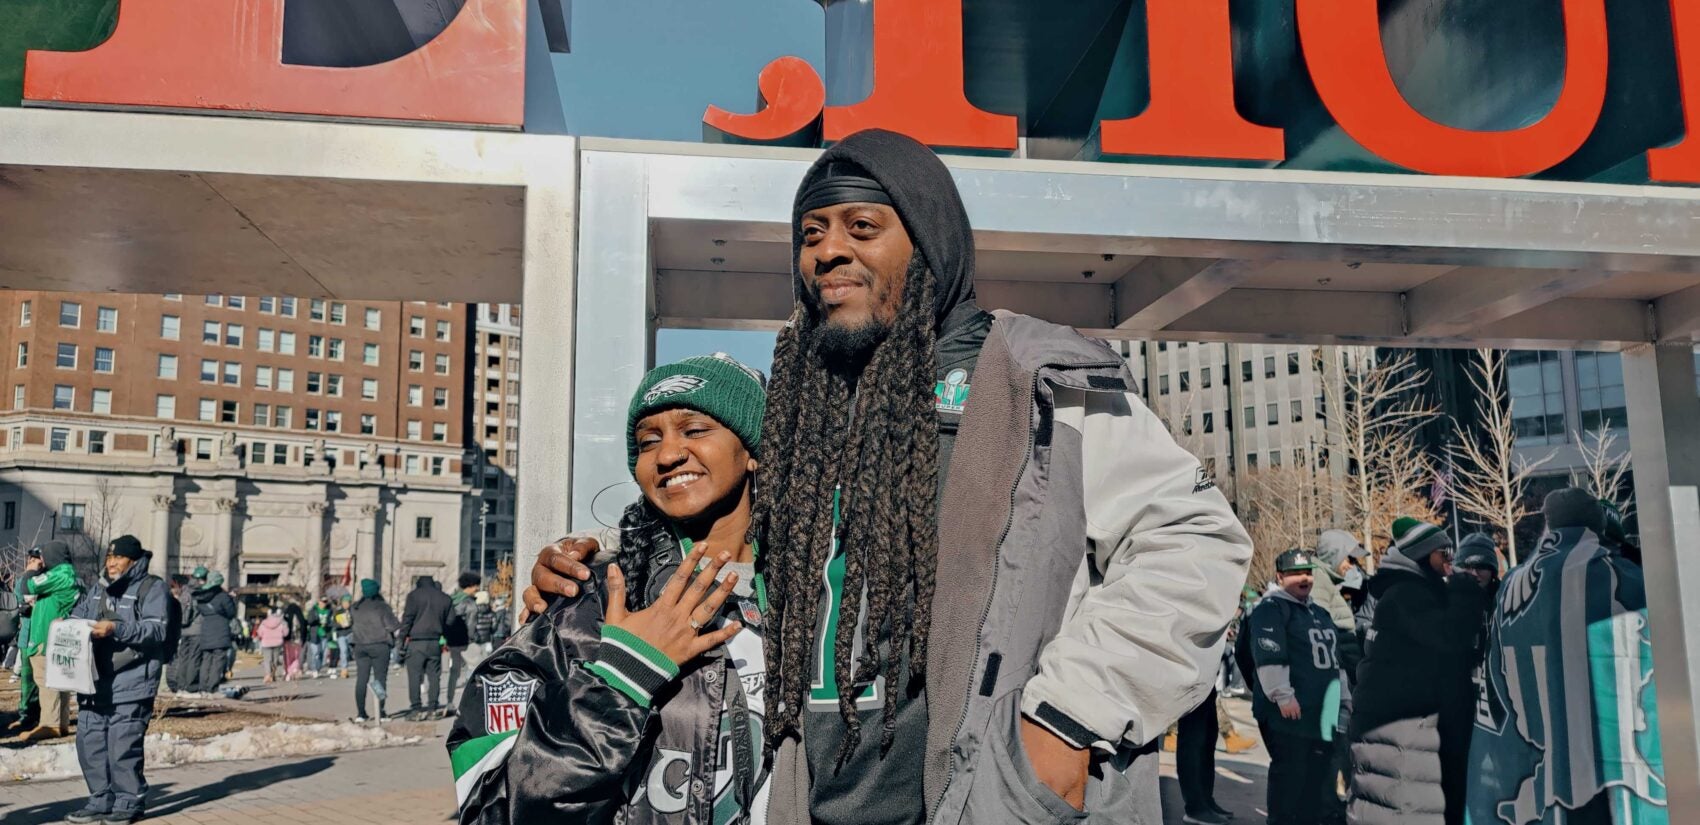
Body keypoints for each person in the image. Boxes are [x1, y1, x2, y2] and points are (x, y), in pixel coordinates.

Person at [524, 129, 1253, 823]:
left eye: (861, 226)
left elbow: (1193, 542)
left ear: (928, 240)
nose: (829, 250)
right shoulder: (801, 411)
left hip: (989, 800)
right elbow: (716, 527)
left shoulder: (1036, 380)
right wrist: (587, 572)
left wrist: (1065, 721)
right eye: (810, 235)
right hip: (802, 802)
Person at [450, 354, 770, 821]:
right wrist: (622, 677)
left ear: (753, 450)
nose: (666, 455)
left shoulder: (816, 599)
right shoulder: (582, 603)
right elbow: (491, 807)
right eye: (647, 441)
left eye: (695, 430)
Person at [1467, 490, 1665, 825]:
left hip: (1541, 768)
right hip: (1616, 771)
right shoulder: (1628, 579)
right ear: (1599, 526)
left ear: (1549, 523)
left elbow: (1496, 686)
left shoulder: (1513, 586)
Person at [1347, 518, 1487, 825]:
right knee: (1406, 810)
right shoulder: (1407, 595)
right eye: (1443, 554)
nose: (1451, 563)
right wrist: (1465, 593)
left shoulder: (1406, 593)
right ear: (1422, 556)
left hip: (1405, 737)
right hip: (1403, 741)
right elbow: (1448, 636)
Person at [63, 536, 170, 824]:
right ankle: (100, 800)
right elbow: (79, 614)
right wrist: (66, 625)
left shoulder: (152, 587)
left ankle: (128, 802)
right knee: (90, 743)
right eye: (109, 558)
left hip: (133, 682)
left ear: (133, 561)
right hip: (95, 681)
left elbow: (156, 630)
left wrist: (116, 629)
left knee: (122, 746)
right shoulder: (98, 588)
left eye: (118, 558)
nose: (111, 563)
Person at [1247, 549, 1347, 825]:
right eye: (1295, 574)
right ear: (1280, 577)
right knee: (1290, 775)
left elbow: (1335, 661)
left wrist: (1344, 698)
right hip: (1288, 714)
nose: (1303, 578)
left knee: (1318, 777)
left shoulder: (1321, 613)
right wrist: (1282, 694)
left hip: (1322, 711)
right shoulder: (1271, 610)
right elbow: (1267, 654)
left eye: (1307, 573)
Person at [20, 539, 84, 742]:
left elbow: (28, 586)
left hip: (45, 636)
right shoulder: (70, 574)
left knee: (45, 680)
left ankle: (50, 723)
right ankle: (61, 722)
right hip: (59, 636)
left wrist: (31, 570)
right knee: (60, 681)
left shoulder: (59, 574)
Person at [399, 574, 453, 720]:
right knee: (434, 676)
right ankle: (432, 708)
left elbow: (407, 619)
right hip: (435, 641)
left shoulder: (414, 596)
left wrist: (401, 639)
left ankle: (416, 709)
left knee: (415, 676)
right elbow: (450, 621)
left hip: (416, 642)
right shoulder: (445, 598)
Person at [350, 578, 401, 722]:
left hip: (360, 645)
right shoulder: (382, 607)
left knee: (361, 679)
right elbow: (392, 626)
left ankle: (360, 713)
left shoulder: (355, 607)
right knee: (380, 679)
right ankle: (381, 710)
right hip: (379, 645)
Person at [6, 546, 43, 734]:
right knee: (28, 679)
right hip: (28, 635)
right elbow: (22, 605)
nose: (40, 564)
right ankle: (26, 715)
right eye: (37, 560)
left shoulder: (45, 579)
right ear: (30, 560)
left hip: (40, 636)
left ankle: (35, 714)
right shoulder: (25, 579)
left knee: (40, 680)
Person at [190, 572, 237, 694]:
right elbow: (231, 613)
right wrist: (232, 599)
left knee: (206, 659)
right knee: (218, 660)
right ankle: (212, 687)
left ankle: (203, 687)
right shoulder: (222, 596)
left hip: (206, 629)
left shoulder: (201, 596)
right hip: (220, 630)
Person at [444, 571, 480, 708]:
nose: (477, 589)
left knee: (455, 671)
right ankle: (473, 702)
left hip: (452, 640)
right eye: (476, 586)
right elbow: (471, 623)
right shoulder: (469, 603)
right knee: (475, 669)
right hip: (465, 641)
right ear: (470, 585)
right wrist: (471, 638)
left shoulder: (452, 599)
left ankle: (449, 700)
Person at [168, 567, 206, 693]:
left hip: (185, 631)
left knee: (184, 658)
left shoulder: (186, 592)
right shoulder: (198, 592)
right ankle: (189, 686)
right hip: (196, 630)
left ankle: (182, 684)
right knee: (193, 658)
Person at [257, 607, 287, 683]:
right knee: (275, 660)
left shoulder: (264, 622)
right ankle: (273, 674)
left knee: (267, 660)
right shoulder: (281, 622)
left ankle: (268, 675)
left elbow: (260, 633)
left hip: (266, 643)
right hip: (277, 643)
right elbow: (285, 633)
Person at [306, 597, 331, 678]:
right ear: (319, 601)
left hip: (325, 634)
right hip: (314, 634)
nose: (324, 603)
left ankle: (318, 668)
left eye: (325, 601)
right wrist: (315, 619)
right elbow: (309, 621)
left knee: (322, 653)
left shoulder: (329, 610)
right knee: (315, 652)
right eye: (323, 601)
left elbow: (331, 621)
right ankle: (314, 669)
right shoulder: (313, 610)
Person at [332, 594, 355, 678]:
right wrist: (340, 625)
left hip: (351, 633)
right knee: (343, 650)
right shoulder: (338, 612)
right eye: (344, 602)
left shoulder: (353, 611)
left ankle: (349, 662)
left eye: (347, 603)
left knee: (350, 650)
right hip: (341, 633)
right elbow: (333, 623)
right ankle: (344, 669)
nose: (346, 604)